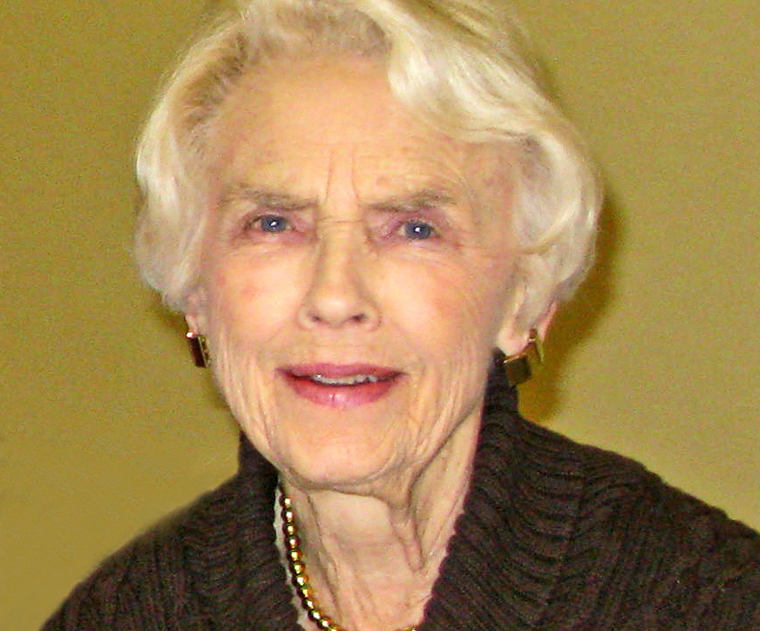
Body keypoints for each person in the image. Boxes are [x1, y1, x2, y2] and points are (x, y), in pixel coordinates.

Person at [43, 0, 760, 629]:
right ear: (195, 291)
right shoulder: (123, 614)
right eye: (273, 223)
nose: (335, 297)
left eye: (415, 229)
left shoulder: (709, 602)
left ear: (525, 299)